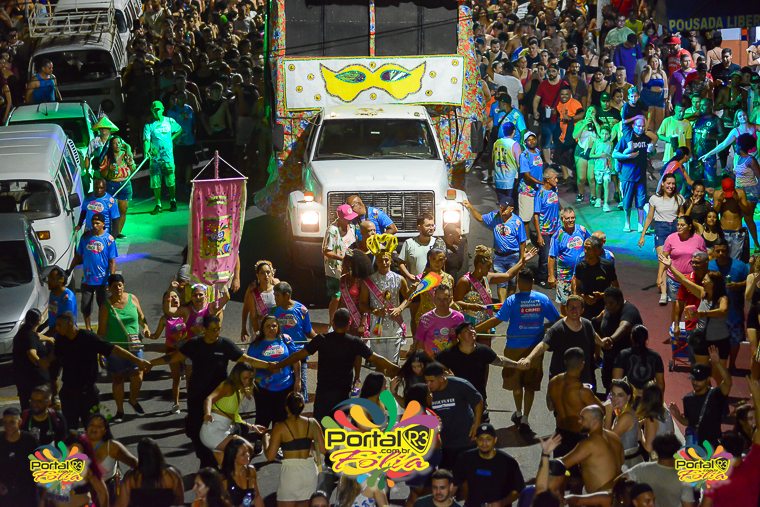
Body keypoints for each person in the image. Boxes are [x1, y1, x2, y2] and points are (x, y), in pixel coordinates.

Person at [149, 315, 271, 468]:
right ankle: (206, 462)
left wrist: (269, 365)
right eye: (213, 329)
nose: (216, 332)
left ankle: (219, 461)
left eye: (218, 329)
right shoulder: (194, 344)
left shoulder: (225, 345)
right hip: (197, 396)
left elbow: (248, 360)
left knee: (223, 429)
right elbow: (172, 357)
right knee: (196, 431)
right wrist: (150, 363)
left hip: (218, 397)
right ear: (204, 329)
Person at [273, 309, 400, 422]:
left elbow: (298, 355)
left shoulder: (321, 339)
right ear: (349, 323)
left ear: (333, 323)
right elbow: (377, 358)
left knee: (320, 426)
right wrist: (398, 369)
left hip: (323, 393)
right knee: (339, 428)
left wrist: (278, 365)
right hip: (343, 394)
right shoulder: (355, 342)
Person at [475, 268, 560, 432]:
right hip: (535, 349)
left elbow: (496, 320)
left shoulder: (512, 300)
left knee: (516, 384)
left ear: (519, 283)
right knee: (530, 385)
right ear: (533, 282)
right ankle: (526, 417)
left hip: (514, 348)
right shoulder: (543, 299)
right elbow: (556, 319)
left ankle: (518, 412)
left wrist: (474, 329)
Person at [42, 312, 149, 429]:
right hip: (69, 393)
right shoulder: (60, 339)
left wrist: (138, 361)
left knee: (92, 428)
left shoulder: (88, 337)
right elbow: (54, 358)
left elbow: (114, 349)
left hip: (88, 393)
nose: (56, 328)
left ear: (70, 324)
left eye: (59, 325)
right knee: (69, 429)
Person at [521, 295, 608, 388]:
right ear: (566, 309)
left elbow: (594, 335)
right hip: (561, 381)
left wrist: (602, 343)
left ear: (582, 310)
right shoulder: (557, 329)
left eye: (577, 307)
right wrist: (529, 358)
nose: (574, 310)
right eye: (571, 307)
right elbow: (543, 345)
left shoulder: (587, 324)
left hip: (583, 378)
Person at [437, 322, 523, 416]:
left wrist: (517, 364)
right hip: (457, 399)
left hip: (478, 397)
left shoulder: (483, 350)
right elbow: (434, 367)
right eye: (466, 330)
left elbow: (500, 360)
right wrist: (445, 375)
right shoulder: (449, 353)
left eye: (472, 329)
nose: (471, 331)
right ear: (459, 336)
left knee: (482, 423)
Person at [661, 253, 730, 368]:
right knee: (699, 369)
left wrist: (701, 314)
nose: (702, 282)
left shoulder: (723, 298)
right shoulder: (702, 292)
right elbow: (683, 280)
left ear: (713, 284)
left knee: (718, 371)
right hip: (700, 336)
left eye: (706, 280)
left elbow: (723, 310)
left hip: (718, 338)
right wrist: (670, 266)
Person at [97, 274, 150, 421]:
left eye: (120, 285)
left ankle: (133, 399)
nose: (118, 288)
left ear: (123, 285)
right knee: (118, 379)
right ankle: (120, 410)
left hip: (134, 345)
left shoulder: (133, 299)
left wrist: (145, 327)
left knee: (138, 374)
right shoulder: (106, 306)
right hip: (115, 349)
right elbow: (101, 331)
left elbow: (141, 317)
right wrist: (101, 352)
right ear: (109, 288)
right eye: (114, 286)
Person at [265, 392, 325, 507]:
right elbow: (323, 449)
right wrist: (308, 444)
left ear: (287, 407)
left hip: (290, 475)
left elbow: (270, 456)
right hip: (309, 472)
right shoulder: (313, 423)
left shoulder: (280, 427)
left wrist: (265, 439)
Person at [424, 361, 483, 470]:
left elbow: (478, 401)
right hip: (443, 443)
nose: (428, 384)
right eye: (426, 381)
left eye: (431, 381)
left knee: (467, 473)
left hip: (465, 440)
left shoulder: (460, 384)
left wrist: (477, 423)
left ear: (442, 378)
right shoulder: (427, 392)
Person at [200, 362, 262, 464]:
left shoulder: (240, 390)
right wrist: (207, 413)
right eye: (244, 378)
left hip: (224, 430)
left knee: (228, 468)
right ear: (237, 376)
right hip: (213, 432)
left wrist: (252, 426)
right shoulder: (227, 386)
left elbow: (234, 415)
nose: (247, 381)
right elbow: (209, 399)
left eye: (250, 378)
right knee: (245, 450)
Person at [547, 348, 603, 461]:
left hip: (559, 435)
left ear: (565, 362)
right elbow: (601, 411)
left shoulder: (553, 382)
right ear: (582, 364)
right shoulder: (583, 391)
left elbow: (550, 406)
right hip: (578, 439)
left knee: (561, 469)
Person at [246, 315, 300, 432]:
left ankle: (278, 441)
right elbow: (250, 366)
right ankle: (261, 440)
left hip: (285, 387)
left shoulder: (286, 339)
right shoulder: (255, 345)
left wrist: (298, 380)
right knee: (262, 419)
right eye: (268, 326)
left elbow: (296, 360)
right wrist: (249, 385)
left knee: (281, 420)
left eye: (274, 326)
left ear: (278, 327)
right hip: (263, 389)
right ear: (262, 328)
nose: (271, 328)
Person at [639, 174, 685, 304]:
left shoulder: (679, 198)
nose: (671, 186)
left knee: (674, 261)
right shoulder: (655, 199)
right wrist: (642, 235)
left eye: (673, 184)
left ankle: (676, 290)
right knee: (663, 261)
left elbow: (681, 216)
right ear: (663, 184)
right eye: (668, 183)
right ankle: (664, 293)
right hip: (661, 229)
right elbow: (649, 217)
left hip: (675, 230)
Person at [670, 349, 732, 447]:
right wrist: (678, 416)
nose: (695, 383)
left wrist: (718, 363)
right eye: (693, 379)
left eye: (699, 380)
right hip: (696, 446)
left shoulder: (715, 394)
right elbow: (689, 422)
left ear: (708, 379)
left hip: (713, 444)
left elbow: (728, 382)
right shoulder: (687, 399)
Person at [453, 423, 525, 507]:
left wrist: (501, 503)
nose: (484, 443)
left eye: (488, 439)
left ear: (495, 440)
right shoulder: (465, 458)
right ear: (476, 440)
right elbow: (455, 483)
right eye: (481, 439)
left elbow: (518, 490)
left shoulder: (508, 462)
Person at [68, 212, 118, 331]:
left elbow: (112, 261)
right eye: (93, 223)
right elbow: (78, 257)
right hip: (87, 279)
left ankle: (102, 329)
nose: (94, 225)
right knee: (85, 306)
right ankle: (88, 328)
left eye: (97, 223)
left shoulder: (109, 240)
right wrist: (69, 270)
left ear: (103, 224)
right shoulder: (85, 238)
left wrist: (111, 279)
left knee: (103, 306)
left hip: (103, 281)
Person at [360, 245, 409, 363]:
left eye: (386, 259)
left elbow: (409, 298)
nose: (384, 262)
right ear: (376, 261)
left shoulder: (399, 279)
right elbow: (362, 303)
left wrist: (400, 308)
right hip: (377, 324)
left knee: (393, 361)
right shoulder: (368, 281)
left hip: (395, 323)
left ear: (391, 260)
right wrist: (374, 311)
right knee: (379, 361)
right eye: (380, 260)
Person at [558, 405, 624, 493]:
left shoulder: (589, 444)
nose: (579, 421)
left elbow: (561, 464)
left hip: (601, 498)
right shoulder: (614, 437)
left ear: (595, 421)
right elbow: (621, 462)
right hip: (619, 495)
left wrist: (546, 453)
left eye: (582, 418)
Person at [709, 238, 749, 370]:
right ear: (713, 251)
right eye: (718, 251)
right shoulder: (709, 266)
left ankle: (732, 364)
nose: (721, 253)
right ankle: (718, 365)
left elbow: (749, 281)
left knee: (735, 340)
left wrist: (738, 285)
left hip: (735, 312)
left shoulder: (740, 266)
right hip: (716, 313)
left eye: (724, 251)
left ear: (729, 250)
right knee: (715, 340)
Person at [271, 281, 315, 400]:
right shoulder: (273, 312)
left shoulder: (302, 310)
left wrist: (320, 339)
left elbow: (308, 330)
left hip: (299, 353)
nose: (275, 298)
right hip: (281, 353)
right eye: (274, 295)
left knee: (300, 387)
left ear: (287, 295)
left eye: (277, 296)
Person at [613, 117, 658, 233]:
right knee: (627, 202)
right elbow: (614, 154)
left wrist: (652, 149)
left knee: (641, 201)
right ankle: (627, 223)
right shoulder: (627, 138)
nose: (641, 128)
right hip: (627, 175)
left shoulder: (645, 138)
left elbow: (653, 145)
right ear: (633, 126)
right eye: (639, 126)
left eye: (643, 126)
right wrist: (627, 156)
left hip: (640, 175)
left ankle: (640, 224)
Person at [149, 288, 188, 413]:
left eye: (175, 296)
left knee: (190, 378)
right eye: (170, 297)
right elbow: (155, 335)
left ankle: (191, 402)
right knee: (176, 378)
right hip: (171, 351)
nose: (174, 299)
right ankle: (176, 404)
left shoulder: (186, 315)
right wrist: (147, 334)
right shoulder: (164, 319)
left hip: (186, 350)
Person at [115, 437, 185, 507]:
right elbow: (180, 501)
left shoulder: (132, 478)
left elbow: (122, 504)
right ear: (157, 452)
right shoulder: (172, 475)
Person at [85, 413, 138, 498]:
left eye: (99, 426)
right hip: (83, 493)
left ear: (105, 431)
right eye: (92, 425)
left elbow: (135, 463)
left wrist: (127, 484)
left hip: (109, 492)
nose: (94, 428)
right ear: (86, 428)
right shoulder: (77, 445)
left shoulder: (112, 447)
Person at [144, 100, 182, 215]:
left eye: (158, 109)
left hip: (168, 157)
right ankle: (158, 204)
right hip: (155, 158)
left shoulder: (169, 121)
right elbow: (146, 140)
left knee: (170, 180)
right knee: (156, 182)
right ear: (151, 111)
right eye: (154, 110)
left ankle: (173, 200)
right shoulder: (149, 125)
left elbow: (179, 129)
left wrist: (172, 138)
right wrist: (146, 151)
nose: (156, 112)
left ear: (163, 109)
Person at [548, 207, 590, 310]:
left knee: (581, 299)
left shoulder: (582, 230)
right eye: (567, 218)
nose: (571, 220)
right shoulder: (558, 235)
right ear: (562, 219)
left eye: (573, 217)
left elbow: (590, 243)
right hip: (565, 274)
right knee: (565, 302)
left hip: (581, 272)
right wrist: (551, 276)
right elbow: (551, 256)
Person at [324, 204, 358, 324]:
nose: (349, 220)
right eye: (347, 218)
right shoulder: (332, 230)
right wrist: (342, 258)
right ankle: (331, 322)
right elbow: (326, 251)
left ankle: (348, 321)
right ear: (340, 217)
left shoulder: (352, 228)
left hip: (349, 268)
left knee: (350, 295)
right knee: (336, 297)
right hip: (335, 269)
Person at [12, 309, 52, 411]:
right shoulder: (29, 335)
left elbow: (37, 336)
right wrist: (40, 363)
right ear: (38, 321)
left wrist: (49, 339)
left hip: (22, 378)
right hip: (33, 380)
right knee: (36, 408)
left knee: (26, 407)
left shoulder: (24, 331)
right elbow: (31, 353)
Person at [662, 216, 707, 306]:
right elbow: (663, 258)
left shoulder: (698, 239)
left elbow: (704, 258)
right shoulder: (671, 238)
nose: (679, 227)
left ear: (689, 226)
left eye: (682, 225)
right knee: (676, 306)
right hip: (674, 279)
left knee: (691, 306)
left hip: (692, 280)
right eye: (678, 225)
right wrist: (659, 277)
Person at [98, 135, 137, 238]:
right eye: (115, 143)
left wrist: (131, 163)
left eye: (119, 143)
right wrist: (109, 169)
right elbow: (103, 174)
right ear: (111, 145)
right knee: (111, 210)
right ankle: (109, 231)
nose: (117, 145)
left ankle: (117, 232)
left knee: (123, 209)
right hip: (112, 185)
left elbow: (133, 169)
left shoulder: (126, 154)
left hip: (125, 184)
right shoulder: (107, 157)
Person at [572, 236, 618, 320]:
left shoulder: (607, 266)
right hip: (585, 309)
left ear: (597, 251)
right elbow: (577, 287)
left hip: (604, 308)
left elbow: (616, 288)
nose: (585, 251)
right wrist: (584, 297)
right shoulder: (580, 266)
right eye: (584, 248)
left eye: (589, 249)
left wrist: (602, 295)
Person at [0, 407, 39, 507]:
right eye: (5, 422)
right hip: (5, 491)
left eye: (12, 422)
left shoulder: (29, 440)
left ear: (20, 422)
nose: (8, 426)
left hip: (27, 490)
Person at [413, 285, 465, 358]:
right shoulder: (425, 319)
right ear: (434, 299)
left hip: (452, 360)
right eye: (439, 299)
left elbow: (463, 341)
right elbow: (420, 343)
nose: (441, 302)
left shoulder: (459, 318)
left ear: (450, 299)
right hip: (431, 361)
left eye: (445, 299)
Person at [611, 324, 665, 395]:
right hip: (648, 397)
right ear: (646, 338)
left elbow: (617, 380)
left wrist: (634, 393)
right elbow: (660, 384)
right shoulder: (656, 357)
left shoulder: (623, 355)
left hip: (628, 397)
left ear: (631, 337)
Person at [604, 379, 642, 468]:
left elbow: (606, 441)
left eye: (620, 395)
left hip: (627, 464)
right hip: (628, 460)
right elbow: (639, 436)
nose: (615, 398)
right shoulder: (625, 411)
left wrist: (608, 413)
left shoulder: (626, 417)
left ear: (628, 397)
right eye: (613, 394)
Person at [532, 168, 561, 284]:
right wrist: (539, 235)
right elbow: (536, 216)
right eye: (555, 178)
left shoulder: (555, 189)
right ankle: (542, 278)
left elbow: (557, 204)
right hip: (544, 231)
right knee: (545, 255)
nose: (557, 180)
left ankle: (552, 275)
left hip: (556, 229)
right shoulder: (540, 194)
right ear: (548, 180)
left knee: (555, 254)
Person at [714, 176, 752, 262]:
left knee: (735, 260)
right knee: (722, 258)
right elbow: (714, 214)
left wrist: (738, 201)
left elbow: (747, 212)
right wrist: (719, 202)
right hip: (723, 231)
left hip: (737, 231)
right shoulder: (717, 194)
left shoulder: (740, 193)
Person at [241, 260, 279, 342]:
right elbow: (252, 316)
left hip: (275, 329)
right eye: (262, 273)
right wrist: (258, 334)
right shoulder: (253, 293)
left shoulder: (277, 289)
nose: (266, 275)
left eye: (268, 272)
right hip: (260, 330)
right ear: (257, 275)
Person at [398, 214, 444, 282]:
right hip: (415, 285)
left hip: (433, 285)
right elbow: (401, 263)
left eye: (432, 225)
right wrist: (408, 275)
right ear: (419, 227)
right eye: (428, 225)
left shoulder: (438, 243)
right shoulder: (409, 243)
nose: (431, 228)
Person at [220, 438, 265, 507]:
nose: (248, 455)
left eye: (247, 451)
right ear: (233, 457)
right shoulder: (225, 480)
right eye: (243, 454)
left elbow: (257, 497)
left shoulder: (251, 471)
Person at [691, 98, 725, 189]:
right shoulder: (697, 119)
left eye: (704, 105)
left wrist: (711, 136)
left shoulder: (716, 120)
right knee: (696, 181)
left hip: (709, 156)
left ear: (710, 106)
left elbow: (722, 136)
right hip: (696, 155)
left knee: (710, 181)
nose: (701, 107)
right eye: (700, 105)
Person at [636, 382, 676, 458]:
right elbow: (671, 431)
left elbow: (649, 448)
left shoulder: (651, 418)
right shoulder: (666, 412)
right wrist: (643, 421)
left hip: (659, 458)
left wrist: (640, 435)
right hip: (670, 455)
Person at [516, 131, 545, 230]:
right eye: (529, 140)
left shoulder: (537, 151)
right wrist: (542, 183)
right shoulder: (524, 156)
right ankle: (526, 238)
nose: (532, 141)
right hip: (527, 191)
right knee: (525, 219)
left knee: (537, 215)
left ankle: (538, 235)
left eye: (533, 139)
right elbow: (527, 176)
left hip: (538, 190)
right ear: (525, 142)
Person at [492, 121, 523, 202]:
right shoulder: (514, 144)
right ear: (514, 131)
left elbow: (493, 159)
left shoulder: (496, 143)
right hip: (511, 180)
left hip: (498, 179)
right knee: (510, 205)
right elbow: (520, 163)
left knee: (502, 204)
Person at [657, 104, 693, 172]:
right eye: (679, 111)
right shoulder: (667, 121)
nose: (681, 114)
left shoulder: (687, 123)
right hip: (669, 154)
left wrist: (688, 154)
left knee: (682, 175)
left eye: (683, 111)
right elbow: (659, 135)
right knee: (668, 174)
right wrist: (667, 139)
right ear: (675, 110)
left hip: (682, 155)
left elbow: (688, 141)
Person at [589, 126, 615, 211]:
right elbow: (591, 155)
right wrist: (600, 155)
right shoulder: (596, 142)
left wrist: (611, 162)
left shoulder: (610, 143)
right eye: (603, 133)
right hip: (598, 167)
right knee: (599, 184)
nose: (604, 135)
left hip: (607, 167)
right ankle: (598, 199)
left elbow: (611, 155)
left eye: (606, 134)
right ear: (600, 134)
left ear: (609, 135)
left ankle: (606, 204)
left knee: (606, 183)